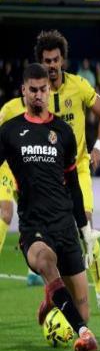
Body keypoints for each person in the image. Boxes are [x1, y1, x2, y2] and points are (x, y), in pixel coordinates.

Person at [0, 64, 100, 351]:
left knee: (82, 311)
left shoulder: (63, 132)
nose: (38, 95)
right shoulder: (9, 132)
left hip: (64, 225)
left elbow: (73, 184)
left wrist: (85, 230)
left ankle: (52, 298)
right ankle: (85, 335)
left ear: (49, 91)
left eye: (43, 89)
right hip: (34, 226)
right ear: (23, 90)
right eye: (32, 90)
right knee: (46, 263)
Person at [34, 30, 100, 315]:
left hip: (78, 169)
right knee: (51, 239)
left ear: (63, 60)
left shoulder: (79, 86)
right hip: (48, 176)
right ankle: (56, 295)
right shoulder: (36, 95)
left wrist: (98, 147)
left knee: (87, 229)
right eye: (47, 61)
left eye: (55, 60)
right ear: (41, 63)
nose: (52, 65)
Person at [0, 95, 44, 285]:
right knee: (6, 213)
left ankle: (33, 272)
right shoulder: (10, 108)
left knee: (35, 215)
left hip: (24, 169)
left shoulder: (41, 111)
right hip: (5, 167)